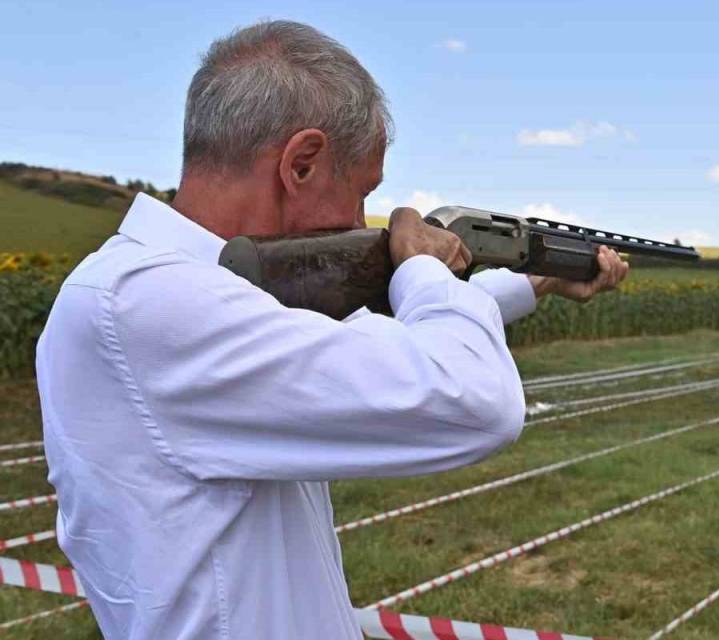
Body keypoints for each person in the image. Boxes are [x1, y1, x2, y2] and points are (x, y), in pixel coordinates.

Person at [35, 20, 628, 639]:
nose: (360, 220)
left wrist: (536, 280)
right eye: (363, 192)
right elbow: (476, 401)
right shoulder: (144, 300)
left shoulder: (187, 295)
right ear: (302, 164)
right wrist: (422, 263)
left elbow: (378, 340)